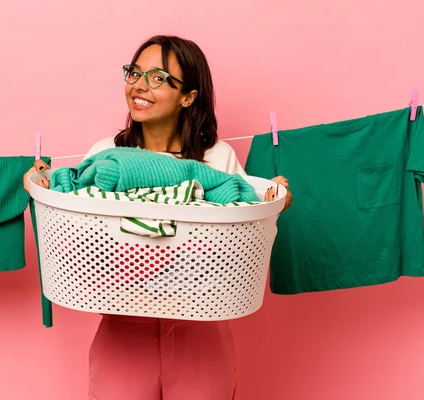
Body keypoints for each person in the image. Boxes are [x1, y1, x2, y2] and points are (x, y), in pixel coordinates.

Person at [23, 35, 292, 400]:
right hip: (122, 330)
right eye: (135, 73)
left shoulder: (217, 159)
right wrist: (41, 182)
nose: (138, 85)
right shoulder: (107, 156)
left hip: (202, 332)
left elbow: (240, 230)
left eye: (158, 78)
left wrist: (274, 197)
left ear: (189, 97)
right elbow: (78, 227)